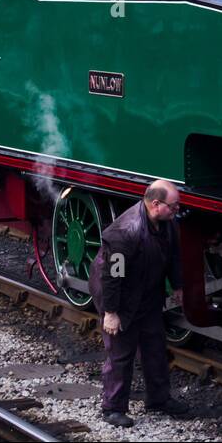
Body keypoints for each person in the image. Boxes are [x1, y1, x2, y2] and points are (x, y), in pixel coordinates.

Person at [89, 180, 191, 427]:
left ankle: (159, 399)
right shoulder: (125, 232)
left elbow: (174, 257)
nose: (177, 210)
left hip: (147, 292)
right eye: (174, 206)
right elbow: (113, 276)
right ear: (156, 204)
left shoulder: (167, 222)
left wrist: (178, 286)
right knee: (120, 352)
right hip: (120, 296)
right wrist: (111, 313)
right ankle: (112, 407)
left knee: (155, 346)